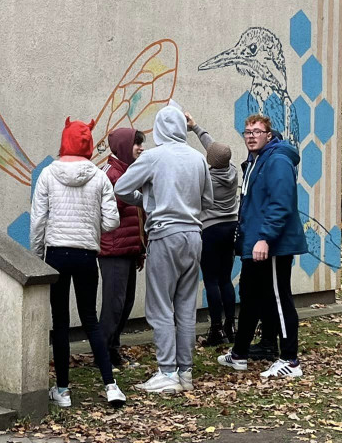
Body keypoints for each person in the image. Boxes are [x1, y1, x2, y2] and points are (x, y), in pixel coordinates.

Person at [114, 102, 212, 394]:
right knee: (185, 307)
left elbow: (121, 188)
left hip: (164, 235)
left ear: (158, 128)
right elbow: (208, 201)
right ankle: (185, 373)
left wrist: (146, 199)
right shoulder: (197, 159)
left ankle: (167, 372)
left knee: (159, 307)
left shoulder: (154, 157)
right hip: (193, 236)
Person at [30, 117, 126, 408]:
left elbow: (38, 221)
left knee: (60, 323)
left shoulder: (47, 174)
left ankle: (63, 391)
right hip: (87, 254)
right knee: (90, 320)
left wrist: (37, 258)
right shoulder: (98, 177)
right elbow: (112, 221)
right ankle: (111, 386)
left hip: (56, 254)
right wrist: (89, 226)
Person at [217, 113, 308, 379]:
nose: (251, 136)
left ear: (269, 135)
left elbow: (280, 204)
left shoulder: (277, 160)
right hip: (256, 243)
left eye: (257, 131)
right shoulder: (257, 160)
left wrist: (265, 238)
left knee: (280, 298)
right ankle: (239, 354)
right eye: (247, 132)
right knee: (250, 295)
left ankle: (290, 360)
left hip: (273, 245)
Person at [185, 112, 239, 346]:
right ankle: (231, 325)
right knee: (226, 278)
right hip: (231, 227)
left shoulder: (207, 177)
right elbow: (216, 150)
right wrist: (196, 127)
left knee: (211, 280)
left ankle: (216, 328)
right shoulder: (233, 170)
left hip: (211, 230)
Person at [98, 128, 147, 369]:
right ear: (124, 146)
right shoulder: (109, 173)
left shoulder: (129, 172)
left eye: (141, 144)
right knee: (113, 304)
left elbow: (138, 214)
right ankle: (103, 355)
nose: (140, 148)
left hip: (129, 249)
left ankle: (113, 350)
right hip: (113, 249)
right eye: (136, 144)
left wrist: (140, 247)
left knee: (125, 303)